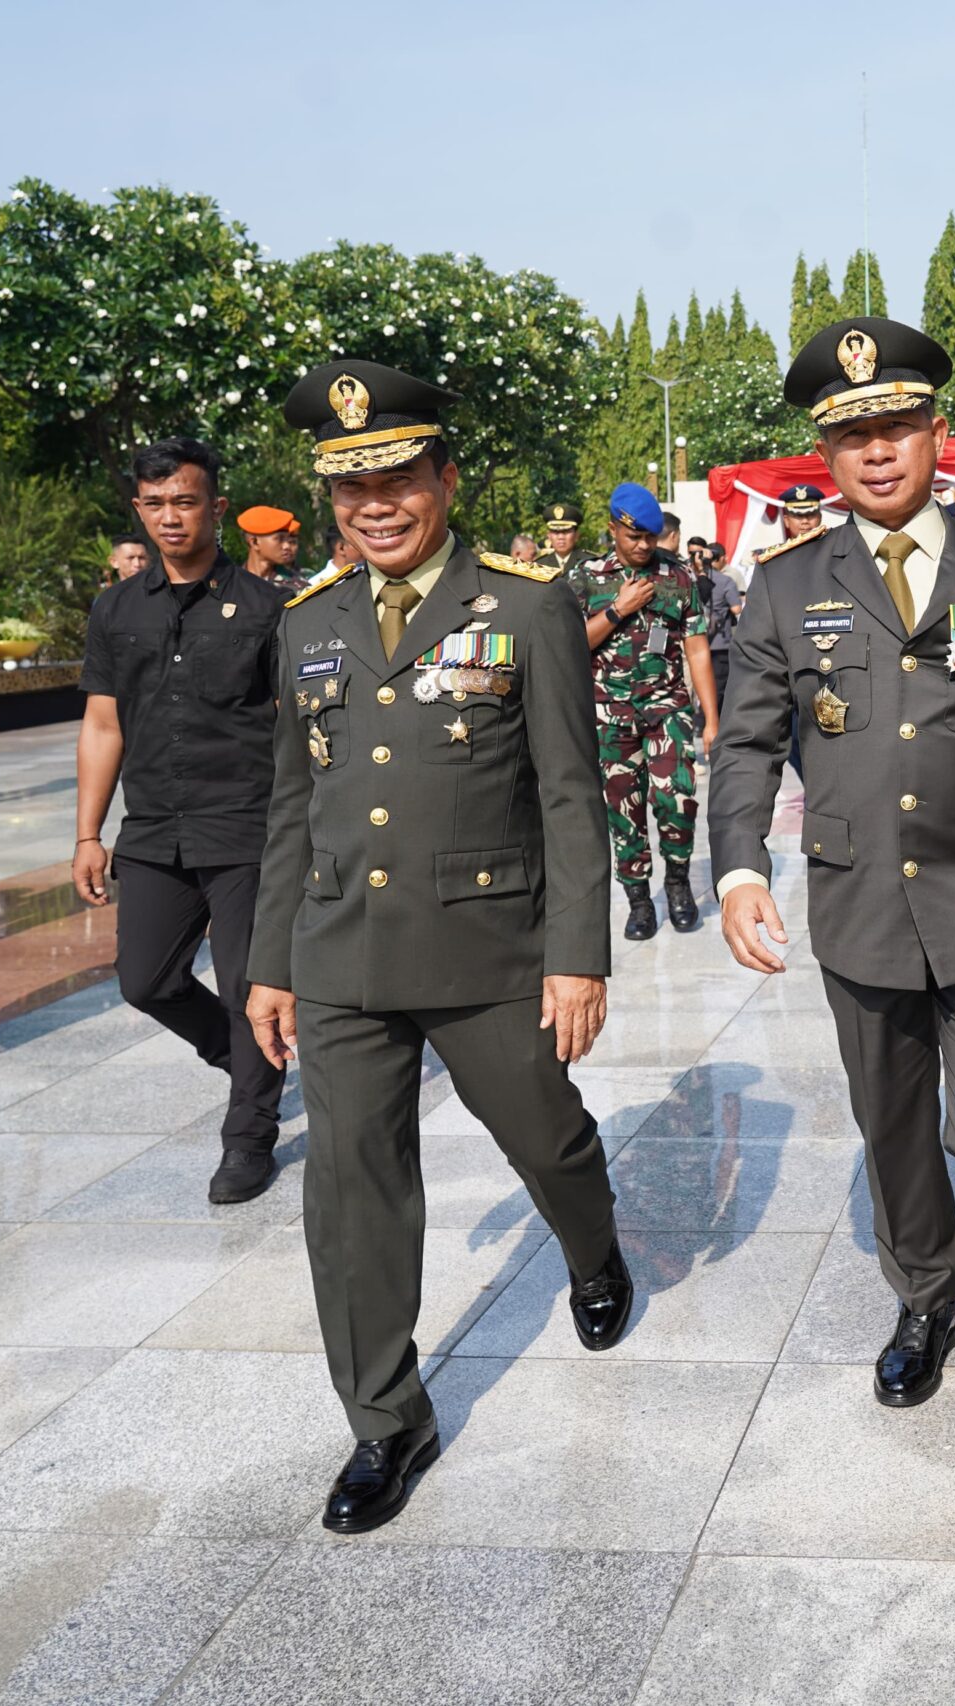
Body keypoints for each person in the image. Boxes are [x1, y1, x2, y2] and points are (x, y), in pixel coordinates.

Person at [711, 317, 955, 1513]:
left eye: (896, 425)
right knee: (894, 1130)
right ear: (824, 457)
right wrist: (738, 868)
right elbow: (743, 745)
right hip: (859, 905)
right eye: (851, 435)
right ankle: (924, 1292)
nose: (877, 452)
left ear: (938, 431)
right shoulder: (785, 587)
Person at [244, 359, 632, 1535]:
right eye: (354, 490)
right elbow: (288, 804)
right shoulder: (306, 620)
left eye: (401, 479)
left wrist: (579, 955)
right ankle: (385, 1420)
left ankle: (595, 1244)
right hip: (343, 949)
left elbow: (571, 794)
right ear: (330, 502)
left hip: (489, 945)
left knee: (545, 1133)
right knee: (349, 1189)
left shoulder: (525, 604)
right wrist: (270, 958)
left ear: (444, 479)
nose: (378, 506)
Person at [73, 438, 290, 1203]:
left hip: (245, 826)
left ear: (217, 508)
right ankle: (242, 1060)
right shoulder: (116, 607)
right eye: (155, 504)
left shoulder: (269, 609)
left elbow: (297, 726)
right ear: (138, 508)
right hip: (155, 829)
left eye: (186, 501)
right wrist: (87, 833)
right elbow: (104, 724)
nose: (171, 517)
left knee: (245, 989)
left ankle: (248, 1137)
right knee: (146, 981)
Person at [577, 482, 718, 940]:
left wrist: (711, 721)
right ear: (613, 529)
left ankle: (677, 885)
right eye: (633, 536)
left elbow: (697, 649)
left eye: (649, 538)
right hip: (609, 715)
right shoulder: (586, 577)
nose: (642, 546)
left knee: (677, 802)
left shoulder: (677, 577)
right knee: (624, 813)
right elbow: (569, 645)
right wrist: (617, 610)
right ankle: (639, 901)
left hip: (667, 710)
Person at [702, 545, 742, 714]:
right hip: (720, 641)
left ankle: (700, 720)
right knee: (720, 684)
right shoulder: (725, 581)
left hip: (697, 639)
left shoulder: (691, 578)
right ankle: (716, 720)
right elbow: (736, 609)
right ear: (718, 558)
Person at [235, 505, 304, 592]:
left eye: (288, 540)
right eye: (280, 539)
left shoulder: (296, 586)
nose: (286, 546)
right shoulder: (232, 584)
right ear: (255, 542)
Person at [534, 500, 591, 576]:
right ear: (549, 535)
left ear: (577, 535)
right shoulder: (540, 566)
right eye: (556, 532)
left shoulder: (589, 562)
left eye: (566, 531)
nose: (560, 537)